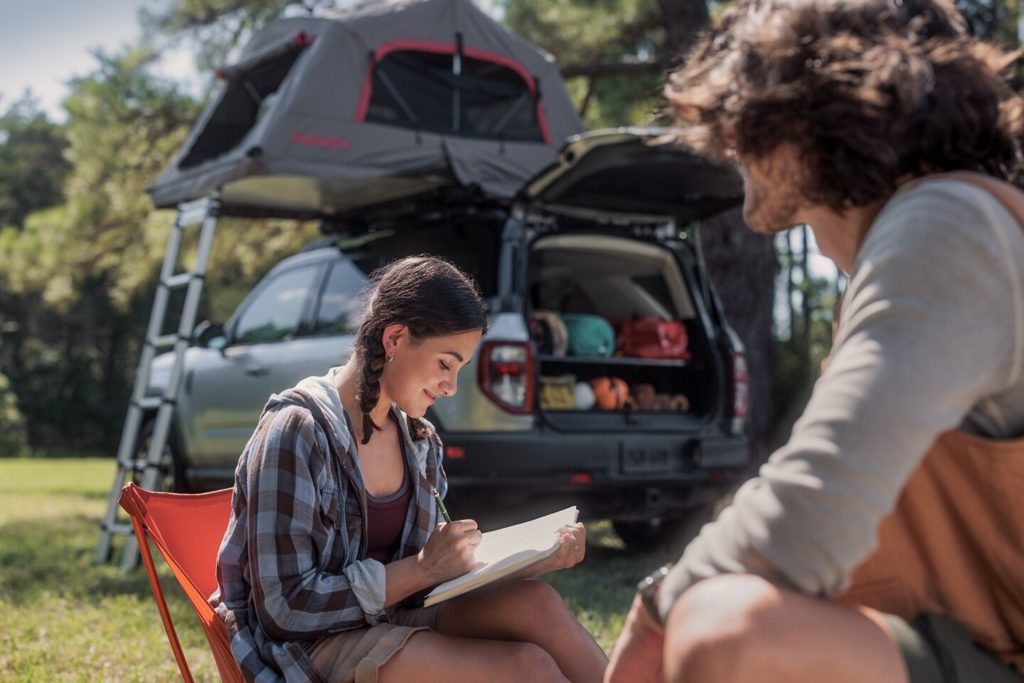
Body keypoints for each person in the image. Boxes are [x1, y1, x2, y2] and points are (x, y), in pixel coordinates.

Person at [606, 1, 1024, 682]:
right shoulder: (937, 232)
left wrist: (657, 610)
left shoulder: (951, 224)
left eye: (742, 137)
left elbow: (814, 509)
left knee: (726, 628)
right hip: (965, 645)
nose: (740, 177)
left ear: (797, 119)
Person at [212, 255, 608, 683]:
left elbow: (431, 581)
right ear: (395, 338)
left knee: (537, 603)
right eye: (445, 363)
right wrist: (420, 568)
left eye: (459, 369)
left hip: (394, 616)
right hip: (313, 643)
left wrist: (526, 561)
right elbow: (285, 609)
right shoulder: (297, 431)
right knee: (525, 669)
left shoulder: (418, 439)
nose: (451, 386)